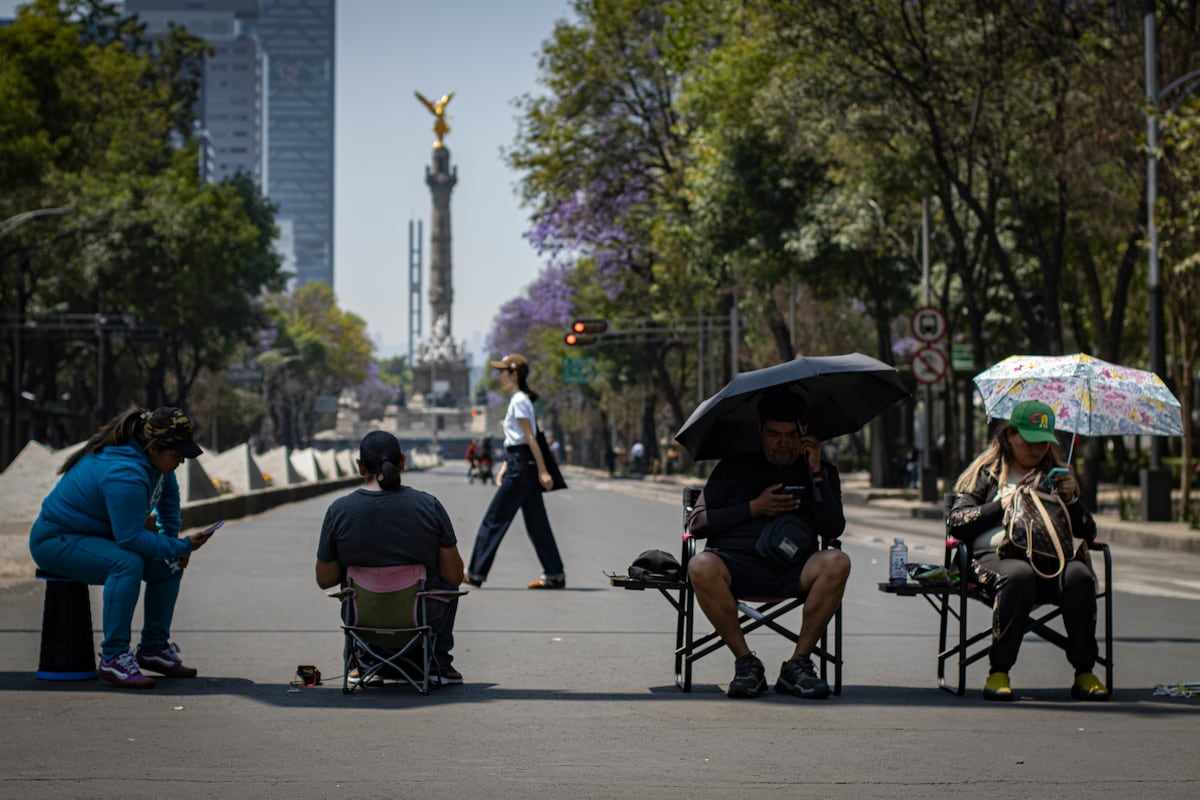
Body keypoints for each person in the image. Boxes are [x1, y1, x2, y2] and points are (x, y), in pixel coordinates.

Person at [28, 406, 214, 689]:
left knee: (169, 564)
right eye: (177, 455)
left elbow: (168, 501)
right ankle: (114, 656)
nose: (181, 462)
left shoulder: (157, 464)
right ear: (153, 447)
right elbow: (129, 539)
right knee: (126, 563)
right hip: (57, 540)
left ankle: (154, 648)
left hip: (97, 538)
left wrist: (174, 545)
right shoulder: (124, 472)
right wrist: (179, 544)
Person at [686, 389, 850, 699]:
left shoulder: (820, 472)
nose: (782, 442)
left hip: (794, 568)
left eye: (790, 434)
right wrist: (754, 508)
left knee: (837, 561)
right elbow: (697, 524)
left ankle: (798, 663)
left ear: (803, 432)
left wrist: (816, 473)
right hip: (737, 566)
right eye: (774, 433)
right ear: (760, 430)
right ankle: (746, 663)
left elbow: (833, 529)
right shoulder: (733, 466)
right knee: (700, 565)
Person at [946, 399, 1108, 702]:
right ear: (1010, 436)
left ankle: (1084, 671)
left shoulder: (1057, 478)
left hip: (1050, 560)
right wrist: (1002, 504)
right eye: (1029, 441)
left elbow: (1089, 532)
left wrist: (1071, 500)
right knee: (1019, 576)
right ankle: (999, 671)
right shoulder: (988, 474)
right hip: (995, 559)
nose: (1036, 450)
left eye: (1043, 443)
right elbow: (957, 522)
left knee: (1079, 577)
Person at [315, 430, 466, 685]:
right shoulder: (428, 506)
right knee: (447, 581)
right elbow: (454, 576)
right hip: (421, 618)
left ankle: (363, 663)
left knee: (350, 584)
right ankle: (438, 663)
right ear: (403, 462)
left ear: (360, 468)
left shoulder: (339, 510)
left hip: (361, 619)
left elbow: (325, 579)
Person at [464, 354, 566, 590]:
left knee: (494, 519)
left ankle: (476, 572)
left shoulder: (519, 400)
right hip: (520, 464)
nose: (499, 377)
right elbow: (519, 441)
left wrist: (543, 471)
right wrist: (506, 465)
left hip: (522, 468)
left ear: (514, 375)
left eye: (502, 372)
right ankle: (554, 573)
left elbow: (530, 438)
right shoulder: (520, 400)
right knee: (537, 523)